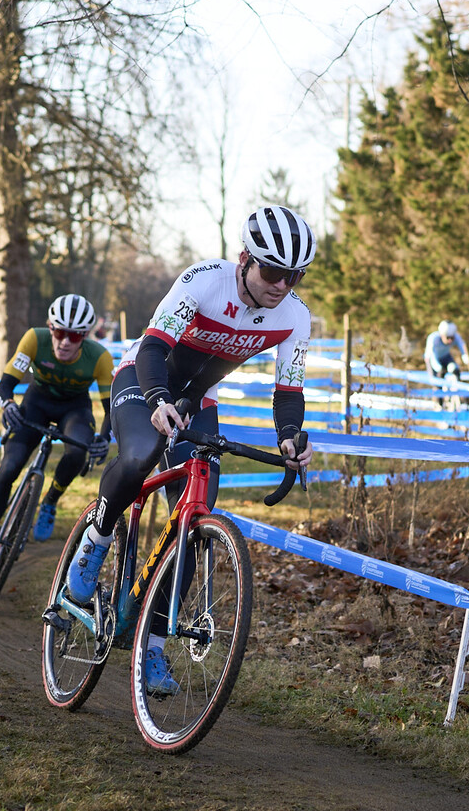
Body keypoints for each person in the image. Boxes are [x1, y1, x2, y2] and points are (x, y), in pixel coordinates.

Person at [65, 204, 316, 694]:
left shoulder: (295, 317)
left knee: (194, 524)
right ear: (245, 258)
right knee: (138, 457)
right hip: (144, 378)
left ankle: (152, 650)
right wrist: (158, 400)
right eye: (272, 271)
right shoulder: (203, 279)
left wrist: (290, 436)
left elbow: (289, 390)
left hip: (198, 398)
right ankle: (96, 538)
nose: (282, 285)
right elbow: (156, 346)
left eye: (295, 276)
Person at [0, 294, 114, 579]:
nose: (65, 341)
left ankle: (50, 500)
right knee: (9, 468)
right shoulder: (34, 339)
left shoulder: (100, 357)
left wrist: (104, 438)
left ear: (86, 337)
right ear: (49, 328)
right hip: (36, 404)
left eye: (75, 336)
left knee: (77, 452)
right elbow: (4, 385)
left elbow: (110, 409)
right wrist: (7, 405)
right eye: (59, 332)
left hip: (75, 410)